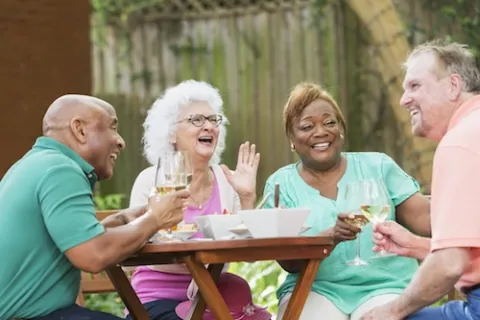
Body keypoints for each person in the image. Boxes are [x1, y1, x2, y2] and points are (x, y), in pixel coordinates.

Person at [0, 95, 190, 320]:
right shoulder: (61, 169)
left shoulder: (34, 164)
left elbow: (70, 241)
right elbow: (93, 256)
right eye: (112, 127)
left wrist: (117, 222)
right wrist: (155, 218)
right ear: (79, 130)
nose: (121, 141)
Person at [262, 82, 431, 320]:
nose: (320, 132)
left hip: (386, 285)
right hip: (314, 288)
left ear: (341, 129)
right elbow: (289, 264)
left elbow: (427, 220)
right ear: (292, 137)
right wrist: (329, 238)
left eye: (329, 122)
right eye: (307, 126)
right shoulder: (281, 184)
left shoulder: (378, 167)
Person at [360, 40, 480, 320]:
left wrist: (390, 311)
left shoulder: (460, 143)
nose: (403, 100)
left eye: (415, 86)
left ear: (452, 86)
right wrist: (416, 245)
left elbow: (450, 264)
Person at [127, 80, 261, 320]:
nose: (208, 126)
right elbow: (132, 246)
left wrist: (247, 198)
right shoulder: (151, 181)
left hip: (215, 297)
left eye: (213, 119)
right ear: (170, 133)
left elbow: (247, 250)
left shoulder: (227, 180)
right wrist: (199, 270)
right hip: (157, 297)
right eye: (196, 120)